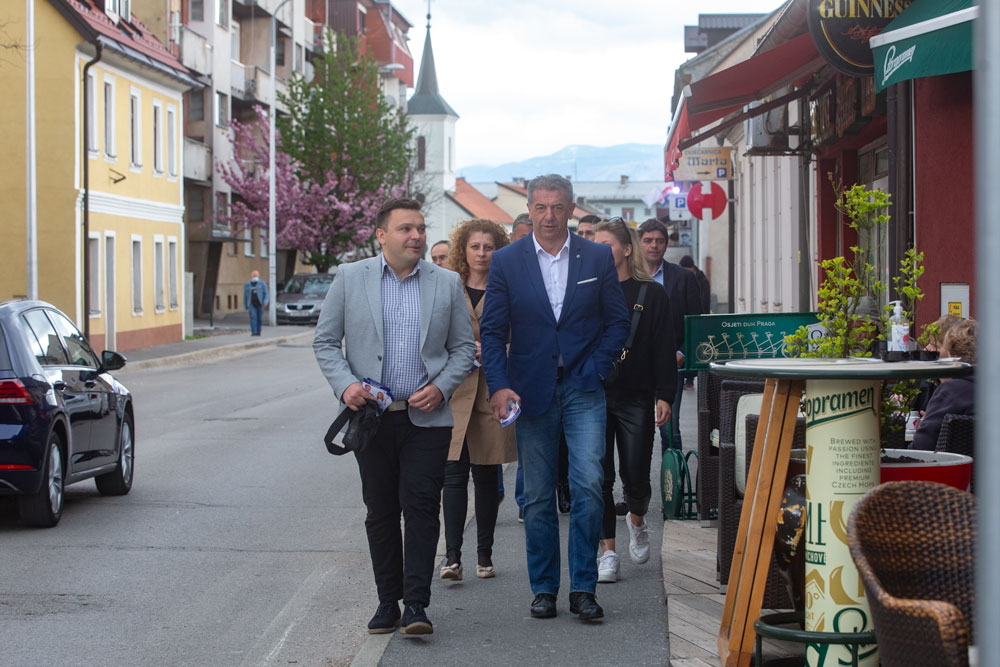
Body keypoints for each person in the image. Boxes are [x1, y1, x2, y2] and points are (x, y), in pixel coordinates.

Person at [313, 197, 476, 636]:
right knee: (380, 510)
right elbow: (325, 342)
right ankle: (388, 601)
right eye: (406, 229)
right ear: (381, 235)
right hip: (372, 420)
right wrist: (345, 385)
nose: (416, 236)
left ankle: (416, 605)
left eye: (420, 228)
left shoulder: (446, 282)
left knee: (421, 508)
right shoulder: (350, 277)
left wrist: (441, 387)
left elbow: (464, 348)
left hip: (427, 419)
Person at [481, 174, 630, 622]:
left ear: (571, 209)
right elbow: (493, 332)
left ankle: (583, 588)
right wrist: (499, 385)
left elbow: (618, 323)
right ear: (529, 209)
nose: (549, 216)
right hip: (530, 390)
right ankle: (544, 588)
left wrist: (600, 366)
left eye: (558, 207)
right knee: (539, 495)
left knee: (588, 484)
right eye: (541, 208)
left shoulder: (596, 256)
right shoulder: (507, 261)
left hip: (584, 386)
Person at [593, 220, 677, 583]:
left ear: (627, 250)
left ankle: (637, 519)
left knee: (636, 475)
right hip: (594, 394)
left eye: (606, 245)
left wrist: (665, 394)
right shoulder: (587, 291)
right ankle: (607, 553)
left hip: (637, 396)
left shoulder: (652, 294)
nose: (597, 251)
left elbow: (663, 347)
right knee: (598, 477)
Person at [440, 219, 517, 581]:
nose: (482, 254)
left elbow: (523, 337)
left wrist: (497, 350)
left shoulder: (509, 287)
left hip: (491, 391)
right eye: (475, 247)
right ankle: (452, 557)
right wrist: (459, 350)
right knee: (453, 475)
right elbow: (432, 337)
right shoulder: (447, 287)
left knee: (486, 476)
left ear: (498, 251)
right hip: (455, 392)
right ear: (463, 250)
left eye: (489, 247)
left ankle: (484, 555)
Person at [638, 218, 703, 451]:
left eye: (659, 241)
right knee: (638, 430)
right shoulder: (629, 277)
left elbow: (696, 322)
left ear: (666, 245)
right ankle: (638, 476)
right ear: (639, 243)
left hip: (671, 365)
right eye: (648, 240)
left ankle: (672, 474)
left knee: (670, 430)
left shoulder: (683, 278)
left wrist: (682, 354)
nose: (654, 245)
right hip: (637, 368)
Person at [911, 318, 976, 451]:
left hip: (956, 464)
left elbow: (921, 447)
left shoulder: (952, 391)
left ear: (954, 357)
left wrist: (925, 422)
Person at [243, 270, 269, 336]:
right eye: (254, 276)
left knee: (259, 318)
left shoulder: (262, 284)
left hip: (260, 303)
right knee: (253, 317)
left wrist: (265, 301)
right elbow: (245, 295)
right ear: (251, 276)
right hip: (251, 303)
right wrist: (246, 306)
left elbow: (266, 293)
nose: (255, 277)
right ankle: (254, 331)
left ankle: (258, 331)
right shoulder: (247, 284)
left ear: (258, 276)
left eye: (256, 276)